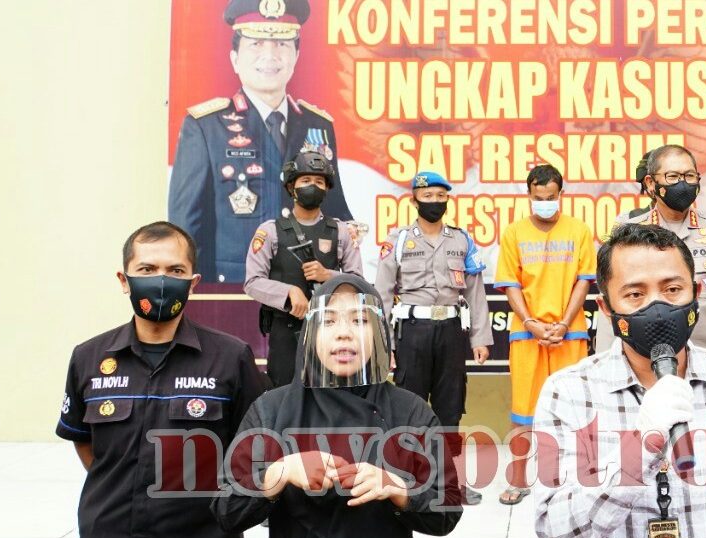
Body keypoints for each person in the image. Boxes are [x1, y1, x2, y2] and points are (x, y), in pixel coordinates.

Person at [533, 223, 706, 538]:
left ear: (696, 294)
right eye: (635, 295)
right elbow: (557, 533)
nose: (657, 309)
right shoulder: (568, 395)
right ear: (606, 309)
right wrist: (640, 447)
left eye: (673, 289)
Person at [55, 222, 267, 538]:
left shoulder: (231, 357)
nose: (161, 280)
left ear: (193, 283)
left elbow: (253, 447)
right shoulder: (89, 358)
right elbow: (84, 442)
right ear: (124, 280)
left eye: (175, 270)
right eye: (147, 269)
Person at [212, 274, 462, 538]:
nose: (344, 332)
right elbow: (226, 511)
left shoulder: (410, 411)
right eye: (329, 321)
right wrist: (278, 473)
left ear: (379, 333)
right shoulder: (271, 410)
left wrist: (400, 490)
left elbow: (448, 511)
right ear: (311, 334)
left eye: (360, 320)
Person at [169, 0, 353, 284]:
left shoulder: (318, 125)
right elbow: (186, 229)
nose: (270, 56)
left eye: (281, 44)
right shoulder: (206, 127)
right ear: (234, 58)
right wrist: (201, 296)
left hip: (308, 289)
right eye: (256, 44)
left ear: (296, 55)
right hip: (235, 289)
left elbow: (335, 210)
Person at [375, 170, 491, 504]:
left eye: (441, 197)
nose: (435, 202)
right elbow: (382, 295)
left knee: (450, 410)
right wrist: (385, 346)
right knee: (409, 406)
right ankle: (408, 478)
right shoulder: (398, 240)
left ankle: (451, 483)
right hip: (412, 331)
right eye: (428, 197)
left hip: (451, 331)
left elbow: (475, 293)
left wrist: (480, 338)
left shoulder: (461, 240)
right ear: (415, 200)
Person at [595, 145, 706, 372]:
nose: (682, 183)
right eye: (672, 176)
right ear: (651, 183)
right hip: (642, 370)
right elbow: (611, 311)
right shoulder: (628, 235)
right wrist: (605, 370)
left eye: (689, 176)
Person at [494, 164, 596, 504]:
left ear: (560, 194)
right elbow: (511, 284)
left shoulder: (579, 230)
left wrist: (564, 323)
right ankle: (518, 480)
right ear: (528, 195)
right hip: (527, 335)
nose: (545, 203)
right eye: (539, 198)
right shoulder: (514, 233)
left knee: (574, 410)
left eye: (551, 197)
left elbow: (583, 281)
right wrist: (530, 323)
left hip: (570, 334)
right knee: (523, 411)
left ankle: (573, 480)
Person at [245, 150, 362, 388]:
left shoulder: (340, 231)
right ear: (292, 187)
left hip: (330, 329)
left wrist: (328, 276)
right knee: (285, 394)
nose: (313, 186)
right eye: (306, 180)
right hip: (285, 331)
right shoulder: (270, 231)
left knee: (330, 394)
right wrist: (288, 292)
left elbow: (358, 282)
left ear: (327, 188)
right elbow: (252, 282)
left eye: (319, 182)